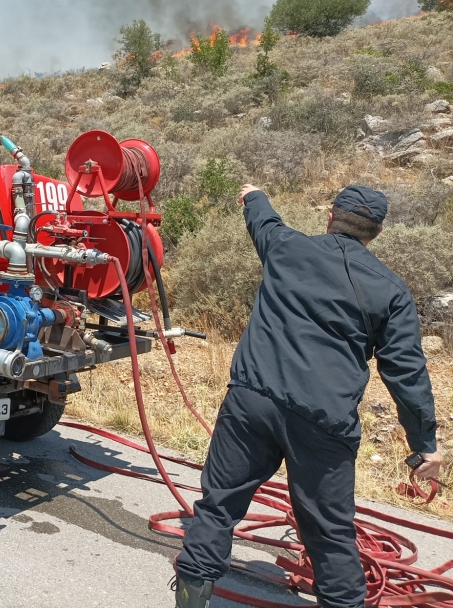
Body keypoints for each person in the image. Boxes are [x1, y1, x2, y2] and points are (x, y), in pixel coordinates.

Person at [173, 185, 441, 608]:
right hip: (323, 422)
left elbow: (263, 220)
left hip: (252, 401)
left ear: (331, 216)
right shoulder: (391, 291)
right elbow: (406, 373)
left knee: (218, 506)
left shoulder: (286, 248)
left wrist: (254, 194)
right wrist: (424, 444)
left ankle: (190, 598)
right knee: (330, 533)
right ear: (378, 232)